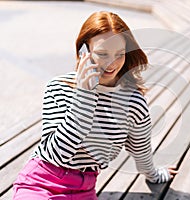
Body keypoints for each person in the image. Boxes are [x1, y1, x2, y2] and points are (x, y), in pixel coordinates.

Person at [13, 11, 177, 199]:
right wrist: (85, 95)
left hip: (85, 189)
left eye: (120, 54)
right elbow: (56, 154)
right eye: (102, 53)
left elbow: (141, 149)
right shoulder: (58, 88)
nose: (112, 63)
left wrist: (154, 175)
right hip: (41, 181)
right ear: (84, 51)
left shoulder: (133, 102)